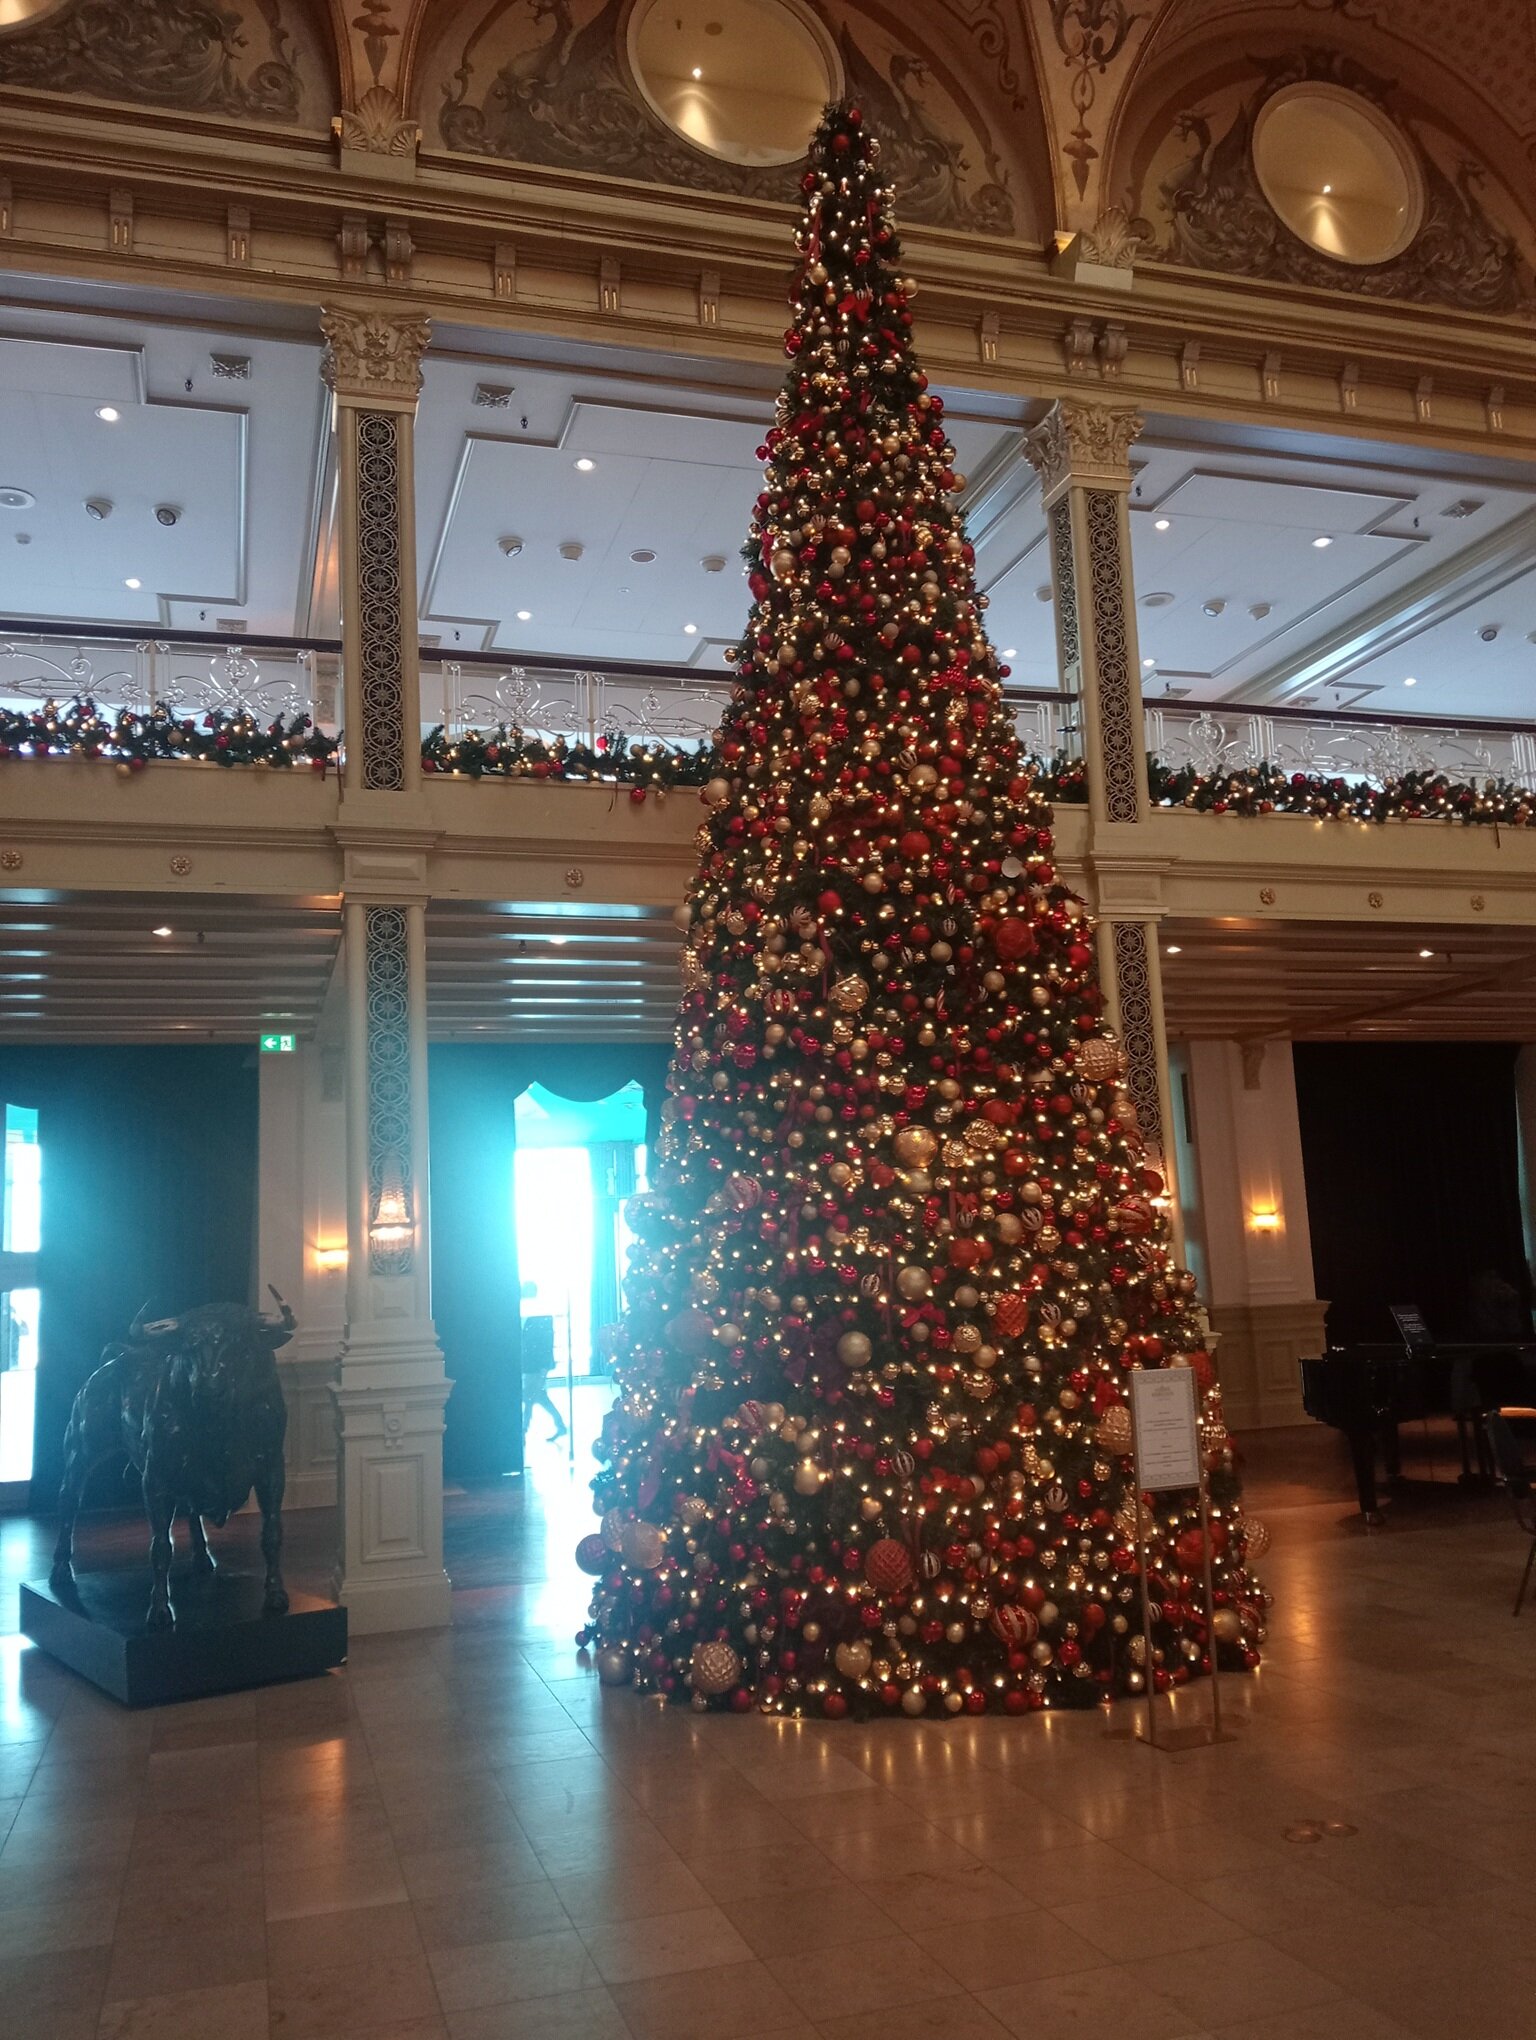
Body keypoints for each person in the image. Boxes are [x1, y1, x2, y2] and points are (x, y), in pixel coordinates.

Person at [520, 1284, 566, 1441]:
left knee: (530, 1396)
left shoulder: (540, 1315)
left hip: (535, 1363)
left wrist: (544, 1366)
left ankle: (524, 1429)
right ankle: (559, 1425)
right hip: (532, 1362)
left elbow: (545, 1341)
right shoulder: (534, 1315)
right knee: (536, 1396)